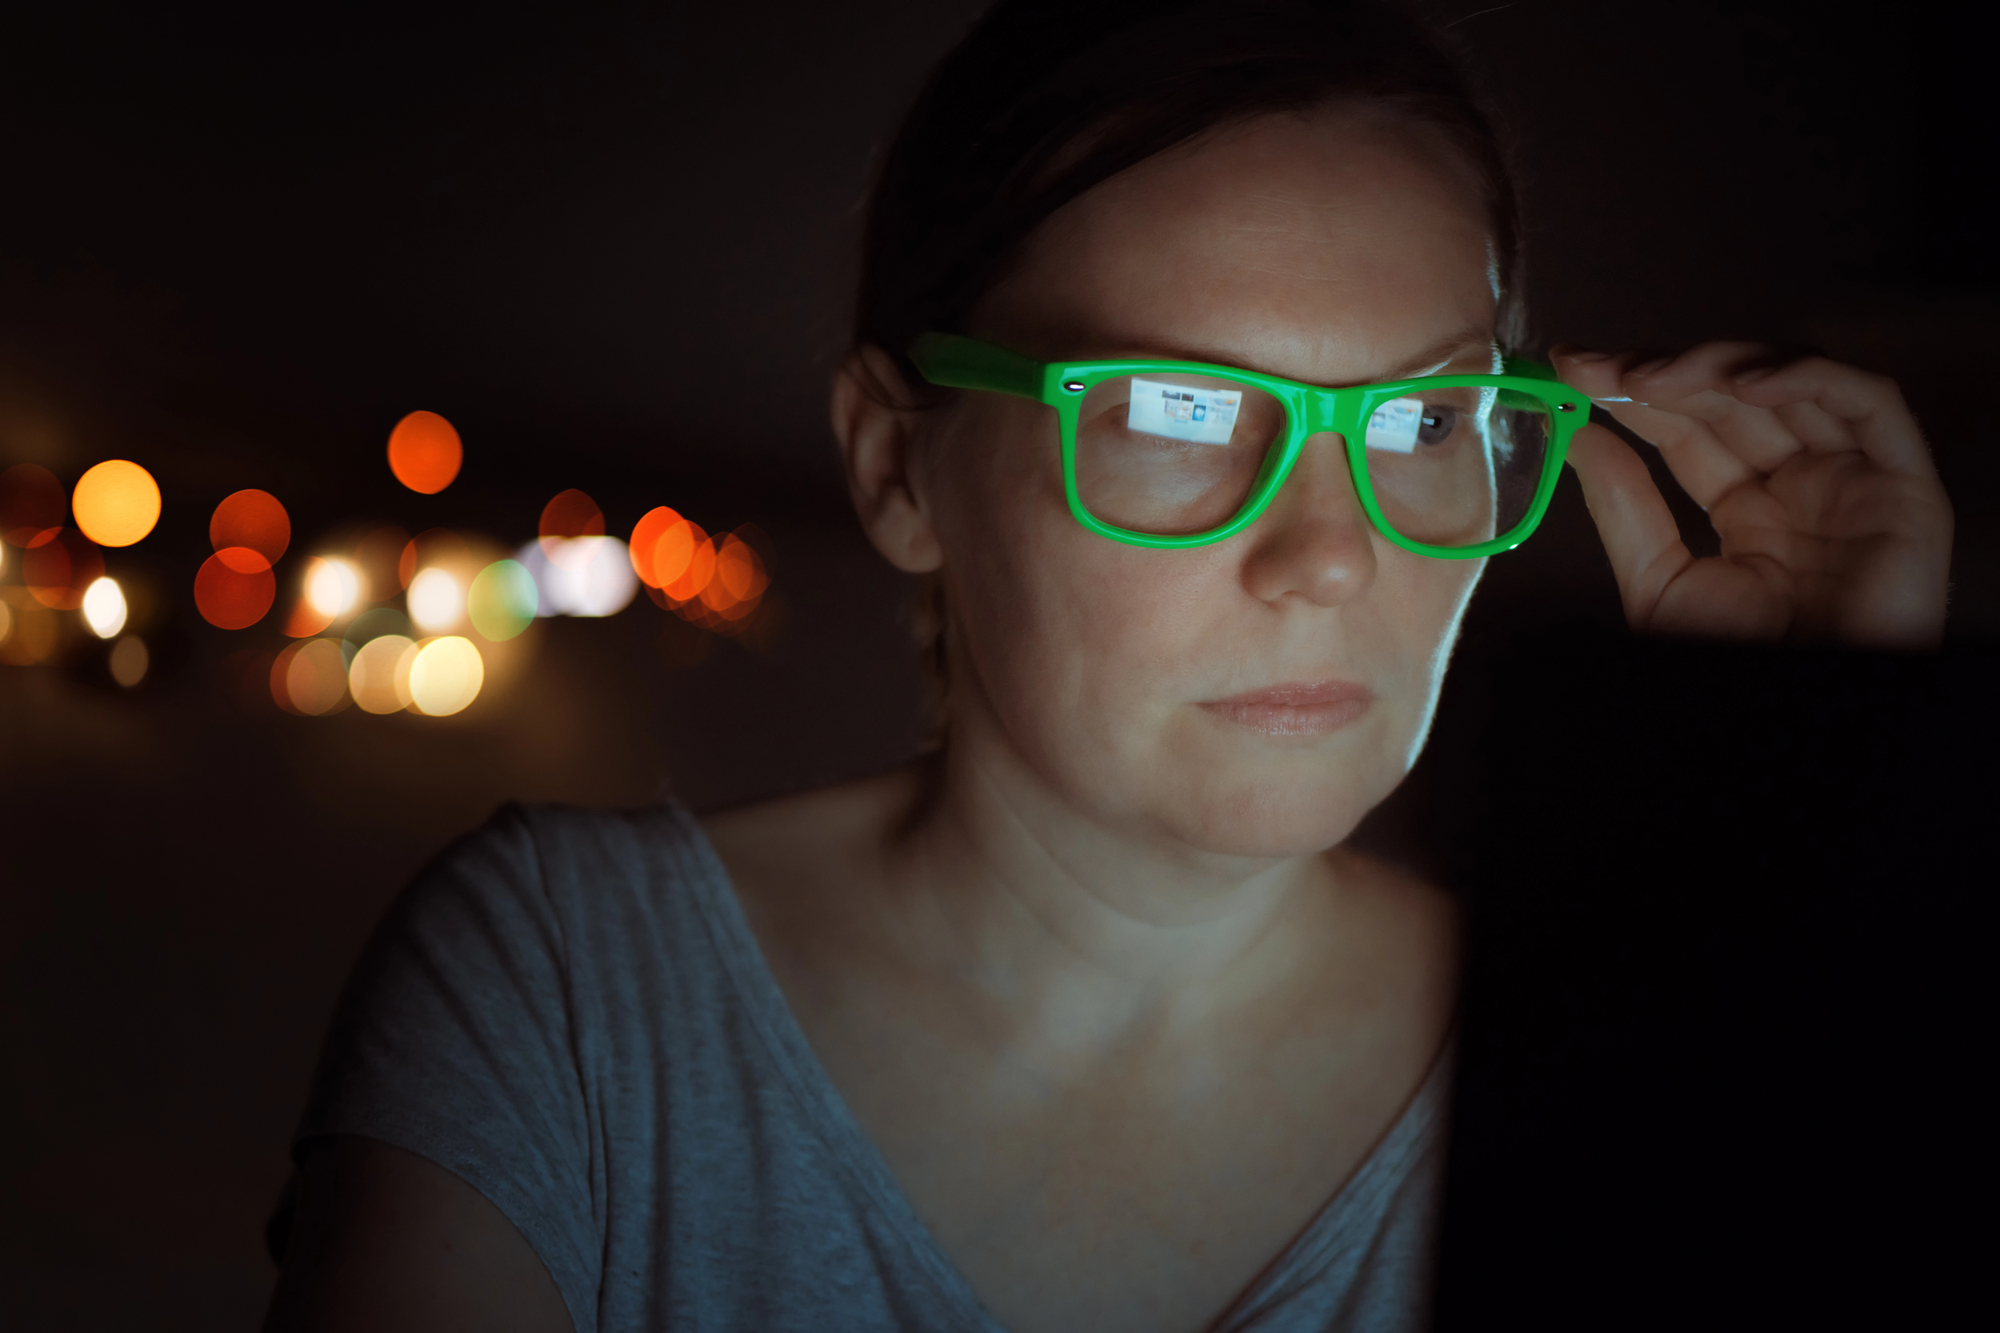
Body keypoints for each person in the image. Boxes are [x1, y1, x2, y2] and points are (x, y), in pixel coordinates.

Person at [258, 2, 1954, 1331]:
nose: (1333, 554)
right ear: (897, 466)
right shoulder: (565, 994)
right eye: (1177, 412)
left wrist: (1791, 800)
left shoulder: (1626, 1036)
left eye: (1425, 417)